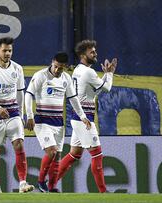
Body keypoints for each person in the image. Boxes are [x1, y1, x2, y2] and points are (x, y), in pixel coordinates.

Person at [24, 52, 91, 192]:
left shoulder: (66, 79)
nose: (56, 70)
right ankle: (41, 182)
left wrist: (83, 116)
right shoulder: (40, 76)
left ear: (65, 67)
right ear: (52, 62)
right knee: (52, 152)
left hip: (58, 122)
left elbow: (73, 99)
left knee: (57, 156)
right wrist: (29, 115)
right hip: (42, 121)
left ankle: (51, 187)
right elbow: (29, 94)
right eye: (55, 66)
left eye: (60, 68)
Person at [57, 40, 117, 193]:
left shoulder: (79, 69)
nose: (95, 54)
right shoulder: (88, 72)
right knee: (97, 154)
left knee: (74, 154)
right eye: (92, 52)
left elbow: (94, 91)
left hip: (76, 117)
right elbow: (107, 89)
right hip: (84, 120)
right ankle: (104, 192)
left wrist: (105, 76)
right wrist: (109, 74)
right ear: (83, 55)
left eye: (95, 51)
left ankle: (48, 184)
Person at [0, 37, 34, 193]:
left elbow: (20, 94)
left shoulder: (17, 68)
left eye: (10, 50)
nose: (7, 53)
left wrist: (22, 115)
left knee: (19, 143)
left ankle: (23, 183)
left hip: (12, 113)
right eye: (4, 50)